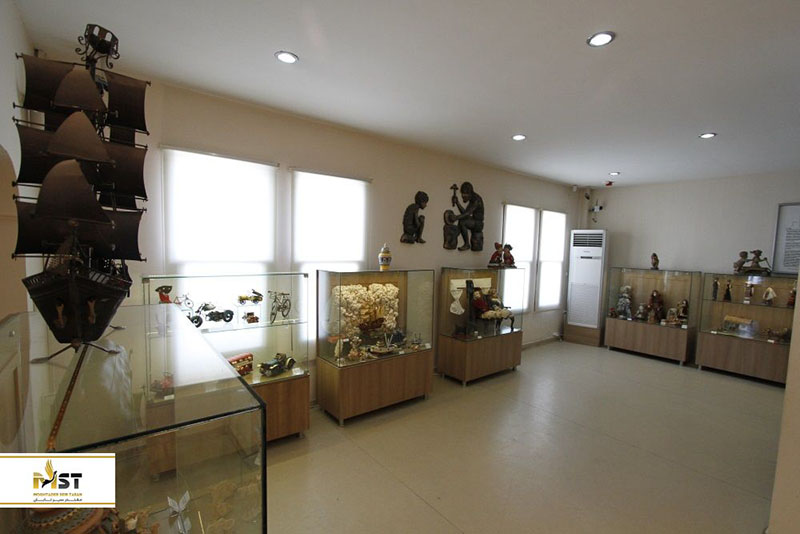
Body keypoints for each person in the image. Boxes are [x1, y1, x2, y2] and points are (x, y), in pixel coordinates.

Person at [451, 181, 484, 251]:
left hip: (478, 223)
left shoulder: (476, 200)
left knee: (462, 222)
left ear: (469, 193)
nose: (463, 196)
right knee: (462, 220)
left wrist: (456, 217)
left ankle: (467, 244)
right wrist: (457, 203)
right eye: (462, 194)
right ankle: (455, 235)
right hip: (474, 220)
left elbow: (467, 213)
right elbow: (465, 213)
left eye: (464, 194)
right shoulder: (472, 199)